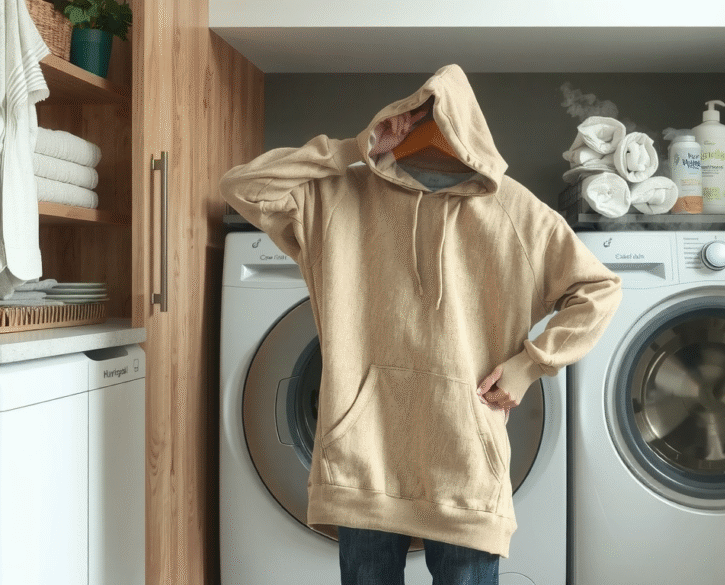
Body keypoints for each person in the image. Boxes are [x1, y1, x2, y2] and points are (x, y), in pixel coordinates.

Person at [220, 64, 621, 585]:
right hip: (364, 454)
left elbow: (598, 290)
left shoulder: (516, 212)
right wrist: (353, 148)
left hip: (462, 456)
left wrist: (531, 364)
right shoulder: (337, 195)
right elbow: (241, 186)